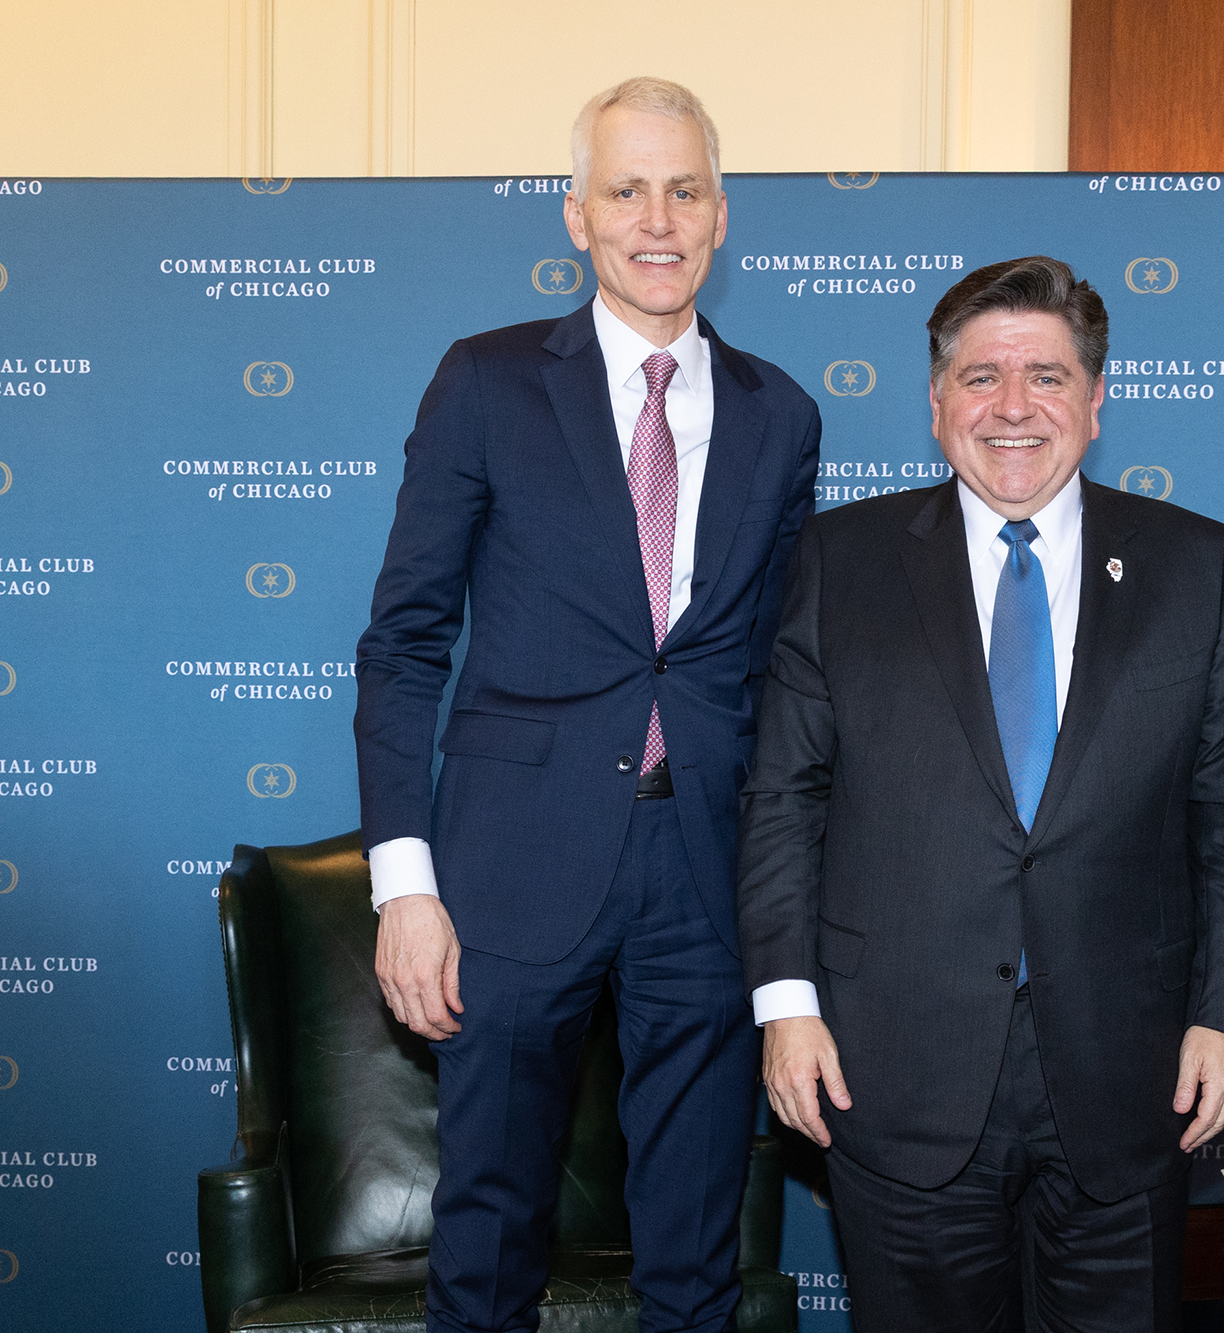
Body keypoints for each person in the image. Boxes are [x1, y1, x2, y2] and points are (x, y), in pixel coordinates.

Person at [355, 77, 820, 1333]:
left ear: (720, 215)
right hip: (510, 865)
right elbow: (402, 644)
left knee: (695, 1249)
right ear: (577, 215)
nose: (656, 220)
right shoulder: (486, 382)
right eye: (626, 191)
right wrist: (405, 885)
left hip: (704, 870)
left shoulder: (782, 414)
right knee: (488, 1232)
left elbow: (780, 672)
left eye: (683, 191)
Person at [736, 255, 1224, 1332]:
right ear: (937, 404)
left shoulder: (1198, 565)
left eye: (1047, 376)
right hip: (893, 1068)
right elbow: (784, 800)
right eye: (981, 377)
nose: (1014, 406)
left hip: (1131, 1076)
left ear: (1096, 400)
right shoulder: (840, 559)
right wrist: (786, 1007)